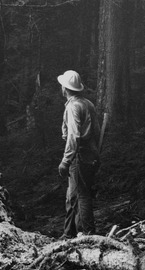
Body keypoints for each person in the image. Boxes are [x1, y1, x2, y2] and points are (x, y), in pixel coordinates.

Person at [56, 70, 100, 238]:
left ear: (65, 89)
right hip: (89, 155)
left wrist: (66, 161)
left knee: (82, 196)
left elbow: (73, 136)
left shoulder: (74, 107)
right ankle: (69, 234)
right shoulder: (87, 103)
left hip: (79, 156)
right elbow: (96, 131)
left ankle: (89, 235)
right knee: (72, 195)